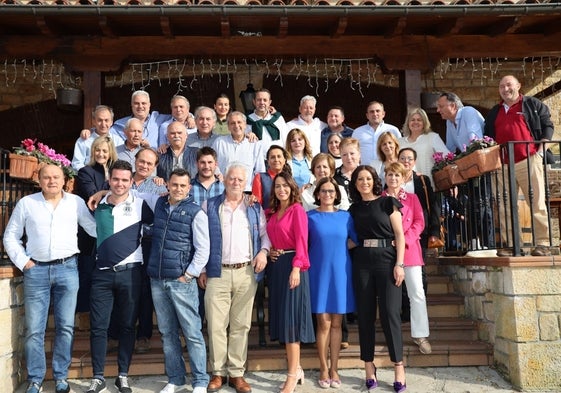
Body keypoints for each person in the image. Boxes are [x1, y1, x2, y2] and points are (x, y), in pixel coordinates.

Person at [3, 164, 97, 393]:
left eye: (56, 177)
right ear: (39, 180)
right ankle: (35, 378)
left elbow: (94, 228)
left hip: (67, 269)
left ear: (65, 180)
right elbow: (11, 236)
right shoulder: (27, 203)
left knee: (65, 327)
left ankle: (60, 376)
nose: (52, 181)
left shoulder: (75, 203)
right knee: (35, 329)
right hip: (36, 272)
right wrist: (23, 261)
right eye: (47, 177)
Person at [200, 163, 271, 393]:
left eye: (240, 179)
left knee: (241, 325)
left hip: (245, 272)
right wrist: (201, 269)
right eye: (232, 178)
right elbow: (201, 240)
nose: (236, 182)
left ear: (246, 183)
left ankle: (237, 373)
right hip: (217, 272)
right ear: (225, 180)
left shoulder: (253, 208)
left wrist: (263, 252)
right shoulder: (209, 205)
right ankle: (218, 373)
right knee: (216, 325)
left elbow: (264, 235)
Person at [86, 160, 154, 393]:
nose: (120, 184)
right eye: (115, 179)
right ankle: (97, 376)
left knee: (127, 326)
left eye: (125, 180)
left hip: (131, 274)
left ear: (131, 181)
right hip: (102, 275)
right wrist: (101, 193)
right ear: (109, 179)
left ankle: (122, 375)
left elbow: (158, 225)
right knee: (99, 327)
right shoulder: (96, 204)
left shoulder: (141, 204)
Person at [147, 168, 210, 393]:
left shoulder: (195, 212)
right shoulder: (160, 205)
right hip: (158, 279)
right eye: (175, 185)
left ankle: (201, 380)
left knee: (192, 332)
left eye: (183, 185)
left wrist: (190, 274)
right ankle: (175, 378)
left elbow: (203, 248)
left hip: (181, 281)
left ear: (189, 188)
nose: (178, 189)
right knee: (167, 332)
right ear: (168, 185)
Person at [348, 165, 406, 393]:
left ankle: (398, 367)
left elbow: (399, 234)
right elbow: (352, 239)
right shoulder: (352, 209)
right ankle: (368, 366)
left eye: (368, 178)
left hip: (387, 260)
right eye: (360, 179)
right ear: (355, 183)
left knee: (391, 313)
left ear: (374, 181)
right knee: (365, 314)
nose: (364, 182)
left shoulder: (388, 202)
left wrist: (399, 264)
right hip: (362, 261)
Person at [484, 75, 553, 257]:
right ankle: (513, 245)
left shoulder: (531, 104)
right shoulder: (494, 111)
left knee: (536, 202)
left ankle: (543, 244)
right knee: (505, 205)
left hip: (528, 159)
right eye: (501, 86)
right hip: (503, 164)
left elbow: (547, 124)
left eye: (509, 85)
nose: (505, 89)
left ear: (518, 86)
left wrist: (540, 150)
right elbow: (488, 137)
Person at [266, 172, 315, 393]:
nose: (281, 189)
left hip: (294, 267)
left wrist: (296, 267)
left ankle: (292, 375)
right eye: (277, 186)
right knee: (282, 318)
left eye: (285, 186)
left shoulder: (297, 210)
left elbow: (302, 241)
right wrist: (271, 252)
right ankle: (298, 368)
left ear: (292, 187)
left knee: (291, 323)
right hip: (277, 267)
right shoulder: (273, 212)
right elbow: (267, 235)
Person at [307, 177, 357, 389]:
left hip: (341, 273)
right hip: (318, 273)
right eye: (324, 191)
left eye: (331, 191)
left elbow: (356, 239)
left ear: (337, 194)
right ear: (317, 194)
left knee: (337, 322)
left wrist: (340, 251)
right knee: (323, 322)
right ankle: (323, 367)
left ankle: (335, 368)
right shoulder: (309, 217)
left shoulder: (346, 217)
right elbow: (303, 242)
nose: (328, 195)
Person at [383, 162, 431, 355]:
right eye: (390, 175)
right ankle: (391, 335)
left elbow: (420, 222)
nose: (393, 178)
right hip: (387, 252)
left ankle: (420, 334)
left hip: (410, 251)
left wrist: (404, 240)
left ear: (404, 178)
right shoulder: (380, 199)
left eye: (397, 175)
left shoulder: (412, 198)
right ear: (385, 177)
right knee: (389, 297)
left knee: (417, 294)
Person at [130, 147, 168, 354]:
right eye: (141, 161)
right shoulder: (123, 181)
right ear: (135, 160)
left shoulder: (156, 187)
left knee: (145, 289)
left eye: (149, 163)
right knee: (125, 288)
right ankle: (119, 334)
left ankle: (143, 334)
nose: (144, 166)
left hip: (147, 243)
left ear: (155, 167)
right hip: (124, 243)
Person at [75, 136, 117, 314]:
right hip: (90, 230)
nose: (101, 154)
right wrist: (109, 191)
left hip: (113, 229)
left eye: (104, 151)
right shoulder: (86, 171)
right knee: (87, 273)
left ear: (110, 153)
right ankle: (84, 313)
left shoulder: (117, 170)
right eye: (97, 150)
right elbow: (93, 195)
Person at [212, 111, 265, 191]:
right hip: (223, 189)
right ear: (228, 126)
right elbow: (211, 163)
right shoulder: (219, 142)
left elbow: (259, 171)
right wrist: (218, 174)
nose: (236, 126)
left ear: (245, 124)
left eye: (239, 122)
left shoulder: (254, 144)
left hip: (246, 191)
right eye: (232, 123)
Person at [398, 107, 449, 185]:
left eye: (419, 120)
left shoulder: (432, 137)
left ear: (424, 122)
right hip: (405, 186)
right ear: (408, 123)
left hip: (427, 184)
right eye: (412, 120)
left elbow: (446, 157)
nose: (415, 122)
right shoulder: (400, 142)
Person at [72, 105, 115, 171]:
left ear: (111, 122)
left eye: (106, 120)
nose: (103, 124)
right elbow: (76, 164)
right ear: (94, 121)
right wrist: (90, 174)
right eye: (100, 120)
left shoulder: (118, 140)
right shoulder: (84, 140)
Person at [246, 88, 289, 154]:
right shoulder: (246, 120)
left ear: (269, 102)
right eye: (259, 100)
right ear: (254, 102)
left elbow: (286, 139)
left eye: (265, 100)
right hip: (255, 160)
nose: (262, 102)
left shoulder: (277, 119)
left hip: (276, 160)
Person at [333, 137, 361, 202]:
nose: (349, 157)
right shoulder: (333, 175)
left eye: (352, 153)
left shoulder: (366, 174)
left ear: (359, 154)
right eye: (344, 154)